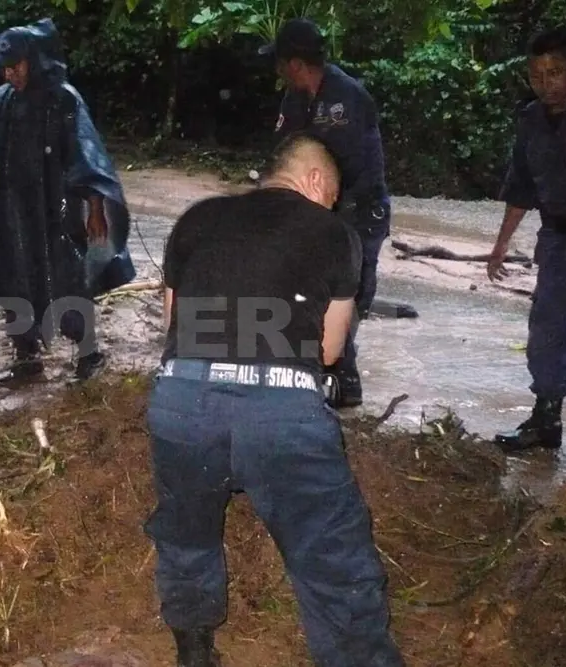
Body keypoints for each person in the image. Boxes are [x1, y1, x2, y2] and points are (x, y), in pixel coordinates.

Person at [145, 132, 405, 667]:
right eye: (331, 195)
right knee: (331, 556)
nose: (330, 206)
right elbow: (329, 351)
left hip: (181, 402)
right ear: (315, 180)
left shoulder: (196, 218)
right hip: (281, 414)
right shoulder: (335, 233)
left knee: (187, 531)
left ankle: (193, 651)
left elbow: (173, 323)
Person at [0, 18, 136, 387]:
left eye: (16, 65)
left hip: (58, 209)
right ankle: (27, 359)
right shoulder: (2, 100)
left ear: (34, 60)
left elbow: (86, 154)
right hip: (12, 209)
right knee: (14, 277)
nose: (10, 74)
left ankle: (89, 355)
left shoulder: (63, 99)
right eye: (5, 68)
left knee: (66, 278)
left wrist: (96, 209)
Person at [260, 17, 391, 409]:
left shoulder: (347, 98)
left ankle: (341, 382)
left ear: (295, 63)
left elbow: (348, 170)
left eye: (280, 62)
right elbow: (284, 156)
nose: (277, 70)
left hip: (356, 214)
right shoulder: (295, 100)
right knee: (309, 293)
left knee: (345, 294)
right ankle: (327, 377)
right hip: (316, 214)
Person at [488, 28, 566, 467]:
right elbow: (521, 187)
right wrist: (500, 245)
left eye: (555, 72)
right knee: (546, 332)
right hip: (555, 241)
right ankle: (546, 420)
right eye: (536, 75)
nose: (545, 83)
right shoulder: (531, 119)